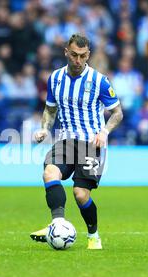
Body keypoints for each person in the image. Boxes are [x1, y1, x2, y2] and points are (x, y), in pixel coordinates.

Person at [30, 34, 124, 250]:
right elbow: (50, 109)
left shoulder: (99, 80)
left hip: (92, 142)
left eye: (82, 56)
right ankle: (58, 224)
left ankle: (94, 236)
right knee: (49, 173)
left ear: (88, 55)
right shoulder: (55, 78)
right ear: (66, 52)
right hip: (66, 140)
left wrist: (105, 131)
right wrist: (45, 128)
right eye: (74, 55)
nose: (78, 60)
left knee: (80, 194)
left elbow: (117, 113)